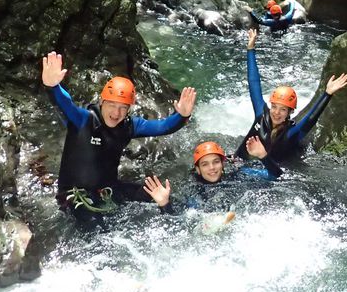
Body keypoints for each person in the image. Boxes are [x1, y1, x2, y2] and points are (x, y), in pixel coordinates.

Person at [41, 51, 196, 223]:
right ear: (102, 102)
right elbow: (65, 103)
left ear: (129, 109)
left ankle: (195, 219)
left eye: (123, 107)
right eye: (112, 105)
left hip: (109, 188)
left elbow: (163, 127)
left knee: (160, 197)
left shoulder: (129, 126)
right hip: (74, 195)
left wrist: (182, 115)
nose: (116, 113)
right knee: (96, 226)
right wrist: (53, 86)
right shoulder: (84, 120)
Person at [235, 29, 347, 162]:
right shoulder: (261, 114)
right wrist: (250, 49)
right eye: (275, 107)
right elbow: (254, 83)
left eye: (283, 109)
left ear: (290, 112)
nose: (276, 113)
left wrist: (327, 94)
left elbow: (311, 119)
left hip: (259, 177)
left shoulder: (290, 133)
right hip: (236, 162)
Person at [143, 138, 281, 217]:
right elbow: (179, 221)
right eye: (205, 164)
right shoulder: (193, 191)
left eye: (216, 162)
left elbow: (276, 177)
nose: (212, 168)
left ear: (222, 164)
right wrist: (164, 204)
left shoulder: (237, 176)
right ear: (197, 169)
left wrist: (263, 156)